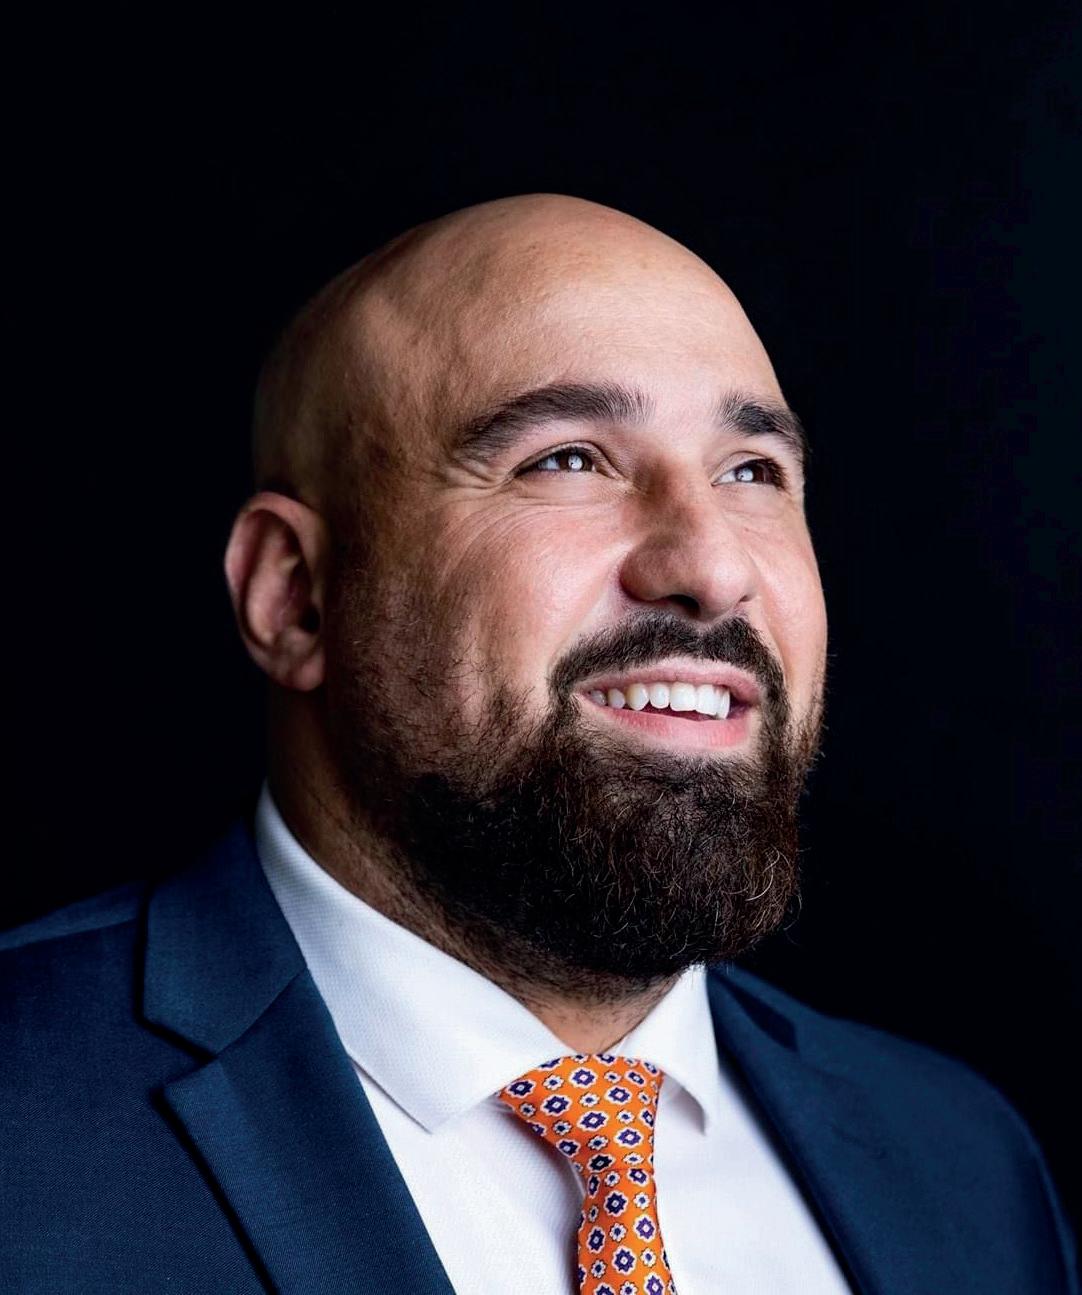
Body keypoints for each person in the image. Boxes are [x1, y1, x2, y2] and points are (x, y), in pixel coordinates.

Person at [1, 195, 1076, 1294]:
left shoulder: (963, 1166)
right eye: (567, 459)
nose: (711, 568)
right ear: (295, 596)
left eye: (752, 470)